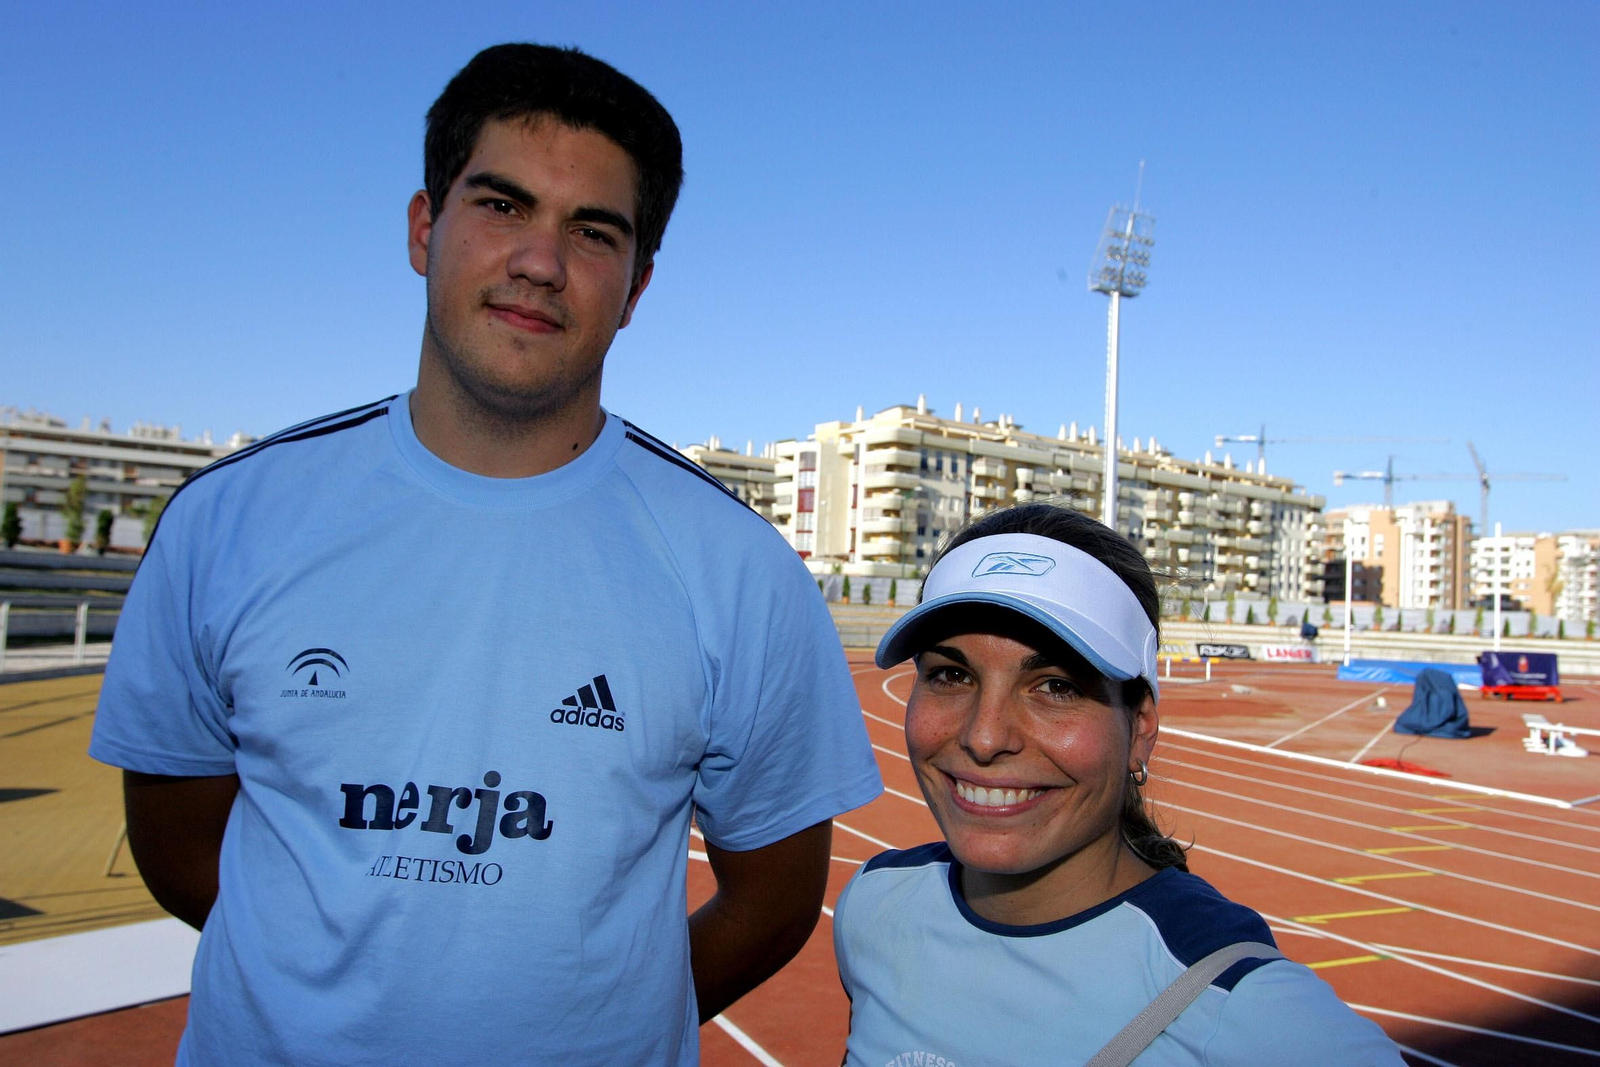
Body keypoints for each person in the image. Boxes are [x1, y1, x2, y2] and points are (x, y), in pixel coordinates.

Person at [90, 43, 881, 1065]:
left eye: (591, 231)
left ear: (636, 286)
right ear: (425, 228)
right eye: (502, 205)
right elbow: (180, 848)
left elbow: (772, 899)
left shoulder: (741, 570)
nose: (540, 262)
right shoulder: (225, 522)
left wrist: (596, 1031)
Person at [834, 503, 1402, 1065]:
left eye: (1056, 686)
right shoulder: (875, 906)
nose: (984, 737)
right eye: (951, 675)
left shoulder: (1247, 1010)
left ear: (1140, 729)